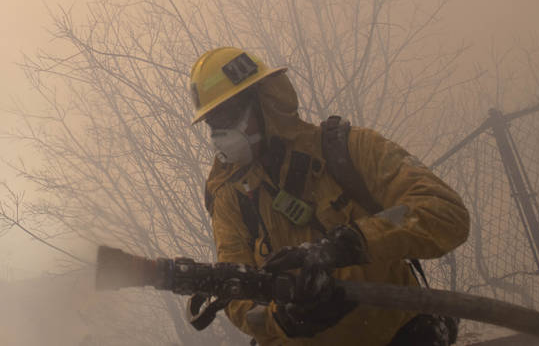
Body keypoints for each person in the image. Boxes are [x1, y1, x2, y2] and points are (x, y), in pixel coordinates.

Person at [189, 47, 470, 346]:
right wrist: (280, 319)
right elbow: (237, 295)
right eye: (213, 124)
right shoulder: (229, 196)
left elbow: (444, 212)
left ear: (266, 102)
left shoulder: (346, 149)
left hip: (394, 335)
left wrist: (352, 243)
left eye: (229, 116)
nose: (221, 135)